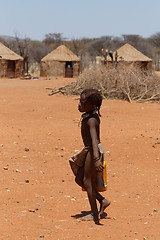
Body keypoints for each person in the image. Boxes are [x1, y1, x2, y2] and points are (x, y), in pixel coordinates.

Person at [70, 89, 111, 224]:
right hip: (89, 151)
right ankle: (102, 200)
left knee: (87, 181)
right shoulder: (88, 115)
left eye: (82, 103)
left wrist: (95, 159)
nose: (79, 105)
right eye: (79, 101)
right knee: (79, 179)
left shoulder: (92, 120)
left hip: (93, 152)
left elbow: (94, 140)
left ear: (92, 105)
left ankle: (95, 215)